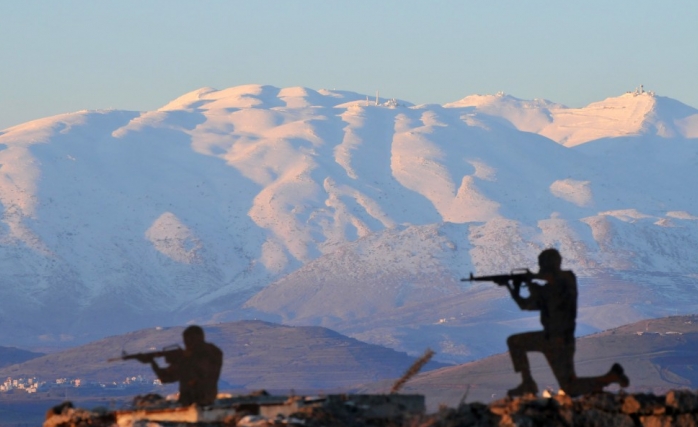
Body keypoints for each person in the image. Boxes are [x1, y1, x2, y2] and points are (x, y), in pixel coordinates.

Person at [501, 248, 629, 397]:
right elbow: (527, 305)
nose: (541, 269)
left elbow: (549, 291)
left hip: (559, 340)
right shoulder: (555, 285)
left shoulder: (566, 280)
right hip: (551, 338)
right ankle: (527, 383)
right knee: (516, 342)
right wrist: (513, 288)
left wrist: (531, 283)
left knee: (569, 387)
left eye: (543, 265)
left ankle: (611, 377)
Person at [138, 325, 223, 406]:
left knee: (148, 401)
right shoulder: (215, 352)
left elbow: (166, 377)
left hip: (190, 402)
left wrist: (152, 362)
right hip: (208, 399)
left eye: (187, 340)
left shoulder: (189, 359)